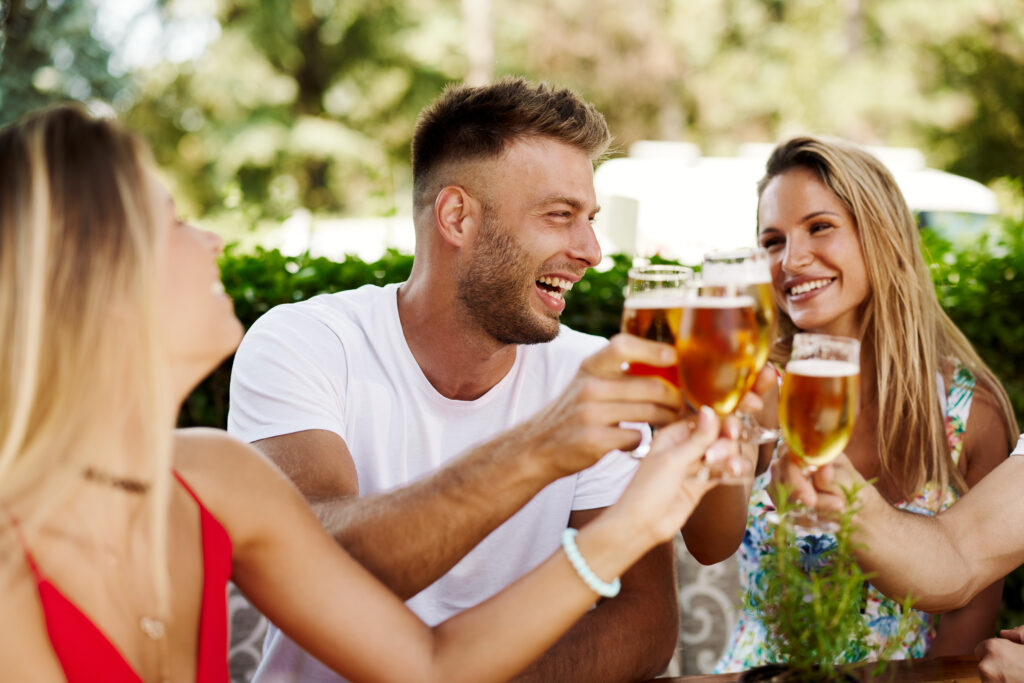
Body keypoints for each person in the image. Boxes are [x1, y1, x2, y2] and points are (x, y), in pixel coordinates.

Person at [0, 104, 756, 681]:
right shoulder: (14, 552)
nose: (213, 240)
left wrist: (639, 516)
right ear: (87, 279)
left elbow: (428, 665)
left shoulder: (215, 477)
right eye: (169, 222)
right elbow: (360, 573)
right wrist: (543, 445)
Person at [229, 76, 758, 683]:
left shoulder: (587, 374)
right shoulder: (306, 343)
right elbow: (317, 568)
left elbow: (642, 622)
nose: (591, 251)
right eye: (560, 216)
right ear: (457, 216)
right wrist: (545, 444)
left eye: (590, 219)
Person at [712, 135, 1018, 673]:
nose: (793, 259)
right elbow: (709, 545)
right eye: (772, 240)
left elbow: (967, 620)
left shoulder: (970, 413)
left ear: (883, 234)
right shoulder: (757, 390)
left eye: (820, 226)